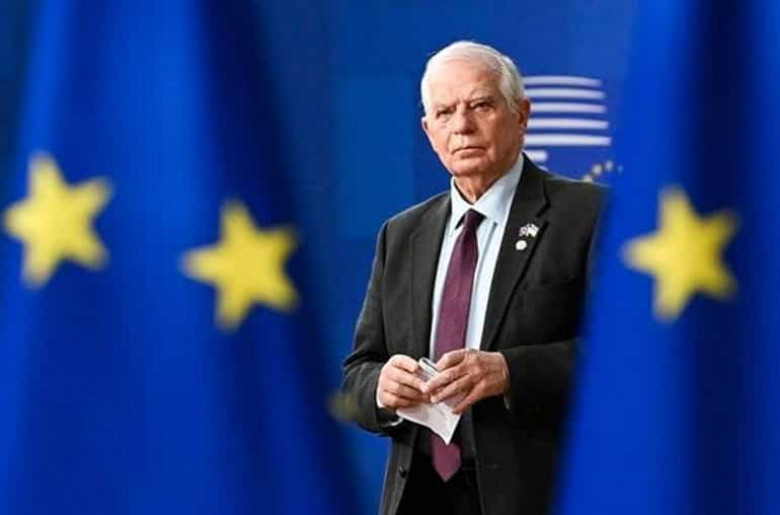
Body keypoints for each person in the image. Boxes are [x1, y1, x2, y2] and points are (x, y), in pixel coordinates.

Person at [342, 40, 605, 515]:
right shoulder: (401, 234)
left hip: (539, 495)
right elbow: (357, 372)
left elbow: (627, 358)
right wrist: (380, 388)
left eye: (480, 105)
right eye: (444, 113)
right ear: (429, 132)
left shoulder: (590, 215)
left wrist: (510, 371)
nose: (461, 126)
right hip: (419, 497)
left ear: (521, 115)